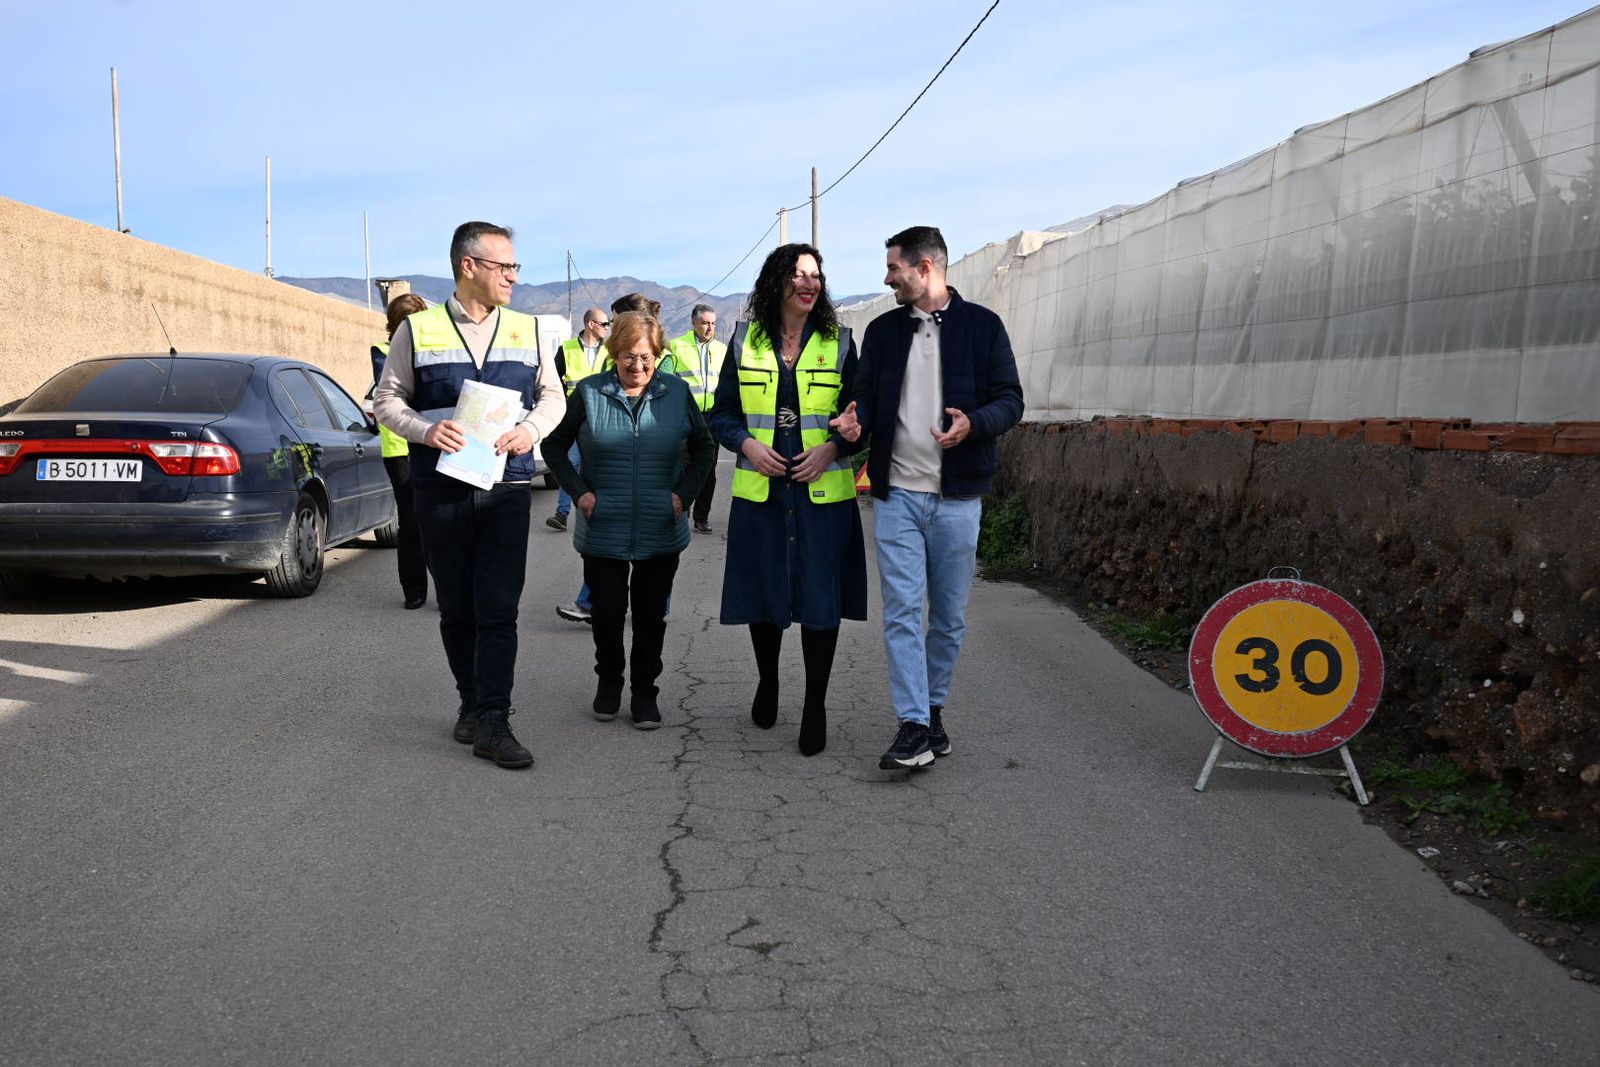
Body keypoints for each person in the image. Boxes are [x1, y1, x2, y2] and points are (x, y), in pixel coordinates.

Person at [374, 221, 566, 770]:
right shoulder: (419, 331)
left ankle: (495, 720)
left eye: (514, 267)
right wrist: (425, 431)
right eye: (504, 266)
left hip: (507, 490)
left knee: (499, 610)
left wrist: (530, 432)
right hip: (441, 490)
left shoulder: (529, 330)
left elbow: (552, 397)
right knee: (457, 608)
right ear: (468, 267)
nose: (513, 275)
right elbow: (386, 401)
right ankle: (469, 702)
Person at [835, 225, 1024, 771]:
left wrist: (976, 423)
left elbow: (1011, 400)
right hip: (896, 497)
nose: (887, 278)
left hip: (958, 498)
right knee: (900, 612)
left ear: (925, 268)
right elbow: (866, 399)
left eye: (894, 268)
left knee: (947, 618)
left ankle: (932, 709)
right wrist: (855, 422)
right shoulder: (883, 331)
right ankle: (913, 723)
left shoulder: (983, 327)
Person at [709, 243, 865, 757]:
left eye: (816, 275)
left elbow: (862, 417)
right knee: (765, 592)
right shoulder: (745, 340)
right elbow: (723, 415)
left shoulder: (840, 343)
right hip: (763, 492)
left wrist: (836, 446)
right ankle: (768, 680)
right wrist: (749, 445)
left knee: (822, 600)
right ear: (777, 280)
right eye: (799, 274)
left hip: (825, 495)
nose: (809, 282)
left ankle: (815, 705)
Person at [541, 312, 715, 729]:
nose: (637, 367)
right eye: (627, 358)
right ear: (613, 353)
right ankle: (609, 683)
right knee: (607, 614)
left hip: (661, 527)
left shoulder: (676, 393)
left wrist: (683, 495)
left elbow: (705, 448)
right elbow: (554, 447)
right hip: (603, 527)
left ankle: (644, 693)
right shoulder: (588, 393)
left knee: (651, 617)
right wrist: (580, 494)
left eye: (646, 358)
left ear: (658, 355)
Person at [556, 292, 673, 624]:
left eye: (615, 320)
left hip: (650, 467)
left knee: (649, 548)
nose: (610, 327)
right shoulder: (617, 359)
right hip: (619, 467)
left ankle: (644, 607)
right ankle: (599, 603)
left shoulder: (660, 358)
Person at [371, 292, 430, 609]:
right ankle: (414, 589)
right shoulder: (382, 352)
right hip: (399, 449)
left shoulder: (429, 350)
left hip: (432, 443)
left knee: (436, 517)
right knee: (410, 521)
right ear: (395, 324)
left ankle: (447, 585)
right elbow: (398, 392)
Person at [546, 307, 611, 533]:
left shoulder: (610, 352)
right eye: (604, 324)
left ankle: (600, 513)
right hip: (573, 419)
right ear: (590, 324)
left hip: (601, 419)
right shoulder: (567, 349)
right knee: (571, 464)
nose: (607, 328)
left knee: (599, 467)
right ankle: (562, 514)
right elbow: (553, 382)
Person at [666, 304, 726, 534]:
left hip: (712, 417)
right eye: (705, 323)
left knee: (708, 469)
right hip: (685, 416)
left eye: (712, 323)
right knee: (682, 466)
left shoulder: (722, 350)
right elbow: (666, 379)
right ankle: (682, 510)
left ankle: (702, 517)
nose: (709, 327)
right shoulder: (677, 346)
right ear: (694, 323)